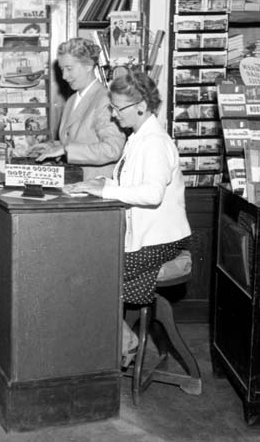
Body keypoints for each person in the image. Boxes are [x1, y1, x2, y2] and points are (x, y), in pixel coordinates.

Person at [69, 70, 192, 366]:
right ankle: (115, 344)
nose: (113, 115)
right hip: (145, 238)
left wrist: (105, 190)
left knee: (87, 279)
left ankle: (124, 343)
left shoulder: (154, 142)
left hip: (158, 242)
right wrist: (102, 183)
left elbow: (152, 194)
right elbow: (133, 183)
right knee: (81, 271)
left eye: (117, 108)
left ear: (141, 106)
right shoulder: (139, 137)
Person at [31, 37, 125, 178]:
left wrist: (65, 149)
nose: (64, 76)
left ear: (88, 66)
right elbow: (81, 140)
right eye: (62, 69)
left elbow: (112, 149)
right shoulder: (72, 100)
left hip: (96, 183)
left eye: (69, 69)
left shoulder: (105, 99)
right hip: (76, 183)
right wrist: (54, 146)